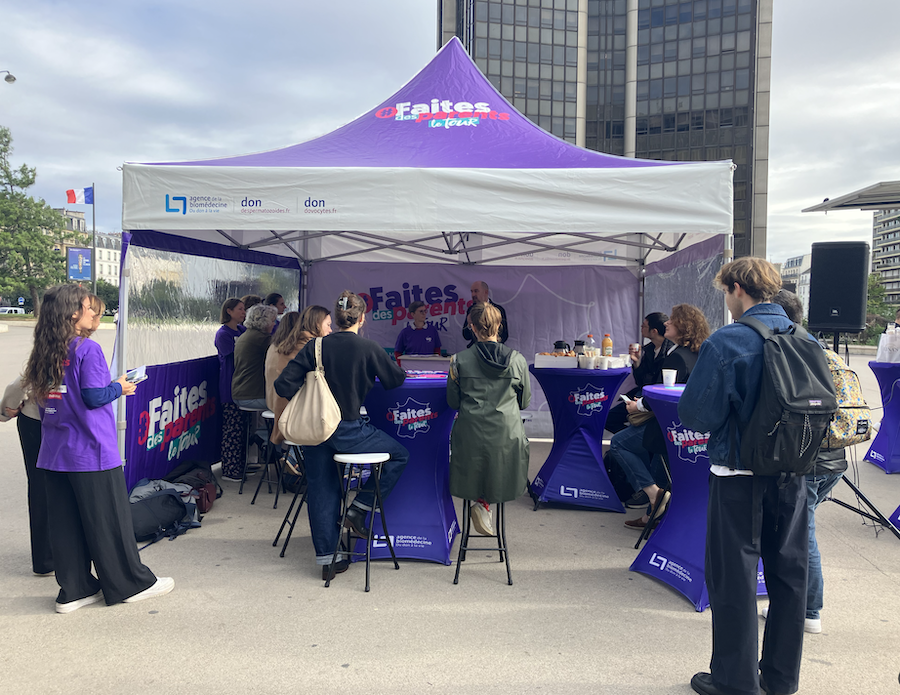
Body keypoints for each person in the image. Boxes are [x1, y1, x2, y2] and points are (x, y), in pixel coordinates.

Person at [678, 258, 808, 695]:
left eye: (726, 293)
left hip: (739, 474)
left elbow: (696, 413)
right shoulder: (804, 337)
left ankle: (735, 682)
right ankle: (781, 680)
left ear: (737, 289)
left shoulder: (729, 341)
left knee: (733, 578)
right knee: (789, 575)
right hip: (794, 473)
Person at [21, 284, 173, 613]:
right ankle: (129, 583)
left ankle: (74, 589)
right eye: (90, 309)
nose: (95, 314)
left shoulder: (47, 348)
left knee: (66, 524)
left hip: (55, 450)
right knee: (108, 520)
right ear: (73, 313)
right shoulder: (86, 350)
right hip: (90, 449)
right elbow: (92, 398)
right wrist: (118, 386)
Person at [275, 291, 409, 580]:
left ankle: (329, 560)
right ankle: (359, 508)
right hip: (349, 431)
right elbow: (395, 380)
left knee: (322, 490)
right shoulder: (369, 348)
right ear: (362, 318)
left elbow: (283, 385)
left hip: (316, 431)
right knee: (400, 455)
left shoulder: (315, 347)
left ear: (334, 320)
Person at [768, 288, 845, 635]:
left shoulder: (792, 352)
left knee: (803, 535)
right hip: (835, 456)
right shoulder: (822, 349)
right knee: (803, 529)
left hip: (809, 457)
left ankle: (809, 610)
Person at [608, 304, 709, 530]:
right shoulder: (700, 352)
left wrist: (638, 406)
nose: (666, 323)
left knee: (619, 444)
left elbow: (665, 394)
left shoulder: (677, 357)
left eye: (672, 320)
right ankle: (650, 517)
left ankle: (653, 495)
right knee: (659, 466)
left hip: (667, 425)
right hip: (690, 428)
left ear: (683, 326)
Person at [447, 302, 530, 537]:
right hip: (506, 437)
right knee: (496, 459)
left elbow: (453, 402)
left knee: (476, 459)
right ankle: (485, 504)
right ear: (499, 326)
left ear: (471, 327)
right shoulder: (518, 360)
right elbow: (524, 402)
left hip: (470, 435)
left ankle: (481, 502)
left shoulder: (458, 361)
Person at [2, 377, 53, 576]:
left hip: (35, 421)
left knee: (40, 486)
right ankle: (74, 549)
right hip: (68, 422)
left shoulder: (43, 354)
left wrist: (7, 410)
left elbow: (16, 387)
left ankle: (44, 558)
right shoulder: (81, 351)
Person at [265, 305, 332, 446]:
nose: (331, 330)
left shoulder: (288, 344)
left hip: (281, 409)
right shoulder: (310, 348)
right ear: (317, 324)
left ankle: (292, 458)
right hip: (300, 416)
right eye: (328, 325)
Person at [605, 311, 673, 436]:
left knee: (629, 420)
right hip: (642, 394)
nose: (641, 328)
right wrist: (637, 363)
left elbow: (659, 384)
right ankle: (632, 439)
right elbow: (641, 381)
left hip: (654, 400)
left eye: (644, 326)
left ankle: (634, 441)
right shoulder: (649, 350)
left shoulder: (671, 353)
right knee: (609, 418)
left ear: (654, 331)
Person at [215, 297, 246, 480]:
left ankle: (240, 464)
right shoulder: (223, 334)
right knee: (231, 430)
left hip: (242, 385)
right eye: (240, 309)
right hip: (229, 385)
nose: (243, 312)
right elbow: (234, 356)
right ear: (229, 311)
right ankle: (229, 468)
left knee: (241, 429)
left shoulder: (242, 330)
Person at [232, 303, 278, 410]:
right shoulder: (262, 339)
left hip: (240, 393)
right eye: (273, 321)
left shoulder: (245, 335)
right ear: (264, 321)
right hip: (253, 395)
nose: (274, 324)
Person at [462, 281, 508, 347]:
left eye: (476, 291)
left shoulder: (498, 310)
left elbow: (504, 335)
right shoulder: (471, 310)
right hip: (475, 350)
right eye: (471, 291)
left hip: (494, 350)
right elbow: (466, 336)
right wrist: (469, 326)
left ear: (486, 292)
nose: (473, 295)